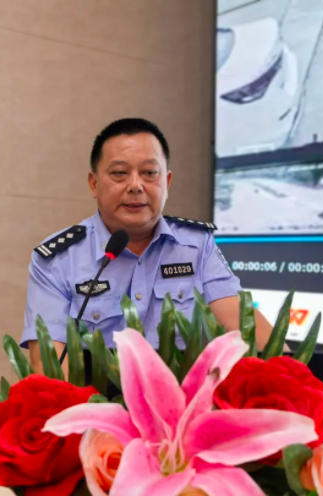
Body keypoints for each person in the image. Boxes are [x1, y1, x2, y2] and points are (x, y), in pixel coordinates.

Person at [21, 118, 272, 373]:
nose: (135, 186)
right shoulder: (57, 260)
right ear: (94, 184)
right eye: (120, 173)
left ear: (167, 182)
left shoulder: (197, 246)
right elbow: (49, 367)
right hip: (97, 398)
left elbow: (248, 331)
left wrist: (285, 375)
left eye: (150, 173)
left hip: (186, 398)